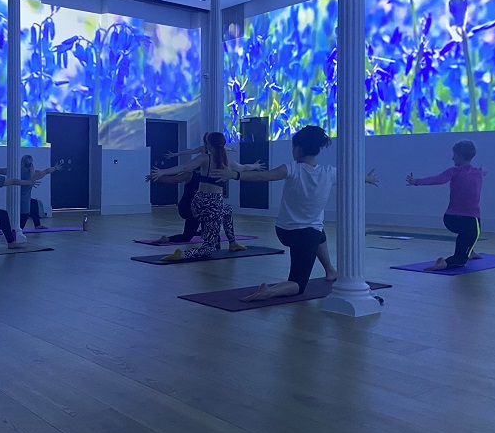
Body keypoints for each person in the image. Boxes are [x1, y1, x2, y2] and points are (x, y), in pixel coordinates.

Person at [209, 125, 378, 301]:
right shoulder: (330, 173)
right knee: (298, 285)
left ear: (298, 149)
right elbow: (353, 177)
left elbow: (263, 176)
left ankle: (330, 271)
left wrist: (234, 175)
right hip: (305, 236)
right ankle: (269, 291)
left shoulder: (291, 169)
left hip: (283, 231)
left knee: (319, 232)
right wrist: (368, 179)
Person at [148, 132, 264, 261]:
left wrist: (162, 171)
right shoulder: (227, 162)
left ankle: (233, 243)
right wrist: (256, 166)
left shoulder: (204, 158)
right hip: (213, 206)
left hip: (198, 203)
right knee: (209, 248)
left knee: (228, 210)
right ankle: (182, 255)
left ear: (209, 145)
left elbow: (184, 167)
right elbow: (243, 167)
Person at [406, 139, 485, 271]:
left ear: (460, 156)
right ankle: (446, 263)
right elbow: (477, 173)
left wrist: (416, 182)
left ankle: (470, 251)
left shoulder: (455, 171)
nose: (452, 158)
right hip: (469, 219)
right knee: (473, 234)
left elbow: (438, 179)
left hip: (450, 219)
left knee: (467, 234)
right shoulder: (479, 173)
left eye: (454, 155)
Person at [145, 170, 202, 244]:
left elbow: (174, 179)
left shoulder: (190, 174)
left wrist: (158, 178)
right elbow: (174, 179)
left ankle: (203, 231)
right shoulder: (192, 174)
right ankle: (167, 239)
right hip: (192, 209)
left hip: (185, 206)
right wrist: (158, 177)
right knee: (186, 237)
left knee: (206, 212)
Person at [17, 155, 63, 229]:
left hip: (18, 199)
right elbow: (46, 171)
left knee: (34, 203)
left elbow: (1, 170)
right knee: (20, 226)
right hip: (23, 201)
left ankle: (37, 225)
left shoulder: (16, 171)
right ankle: (2, 226)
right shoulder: (33, 174)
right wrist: (55, 168)